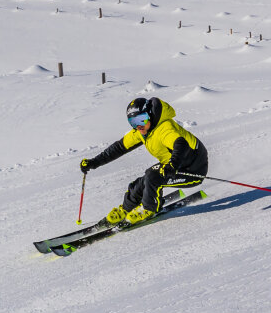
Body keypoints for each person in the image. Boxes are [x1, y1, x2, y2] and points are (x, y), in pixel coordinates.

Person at [80, 96, 209, 226]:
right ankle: (126, 209)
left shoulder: (164, 128)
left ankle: (149, 208)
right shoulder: (142, 131)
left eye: (142, 119)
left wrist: (173, 165)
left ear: (150, 115)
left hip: (193, 170)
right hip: (173, 165)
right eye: (133, 122)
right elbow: (119, 147)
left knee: (152, 176)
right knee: (141, 183)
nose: (139, 125)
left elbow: (181, 144)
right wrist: (94, 162)